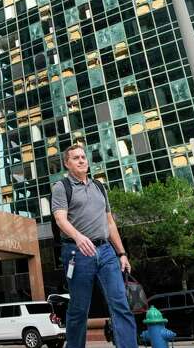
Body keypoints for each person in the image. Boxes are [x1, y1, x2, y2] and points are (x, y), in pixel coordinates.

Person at [52, 144, 136, 348]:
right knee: (79, 308)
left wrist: (122, 253)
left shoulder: (99, 186)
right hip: (77, 252)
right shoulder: (62, 187)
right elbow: (60, 219)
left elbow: (109, 223)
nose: (81, 160)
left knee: (120, 303)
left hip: (106, 251)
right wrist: (79, 238)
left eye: (83, 157)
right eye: (75, 158)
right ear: (67, 163)